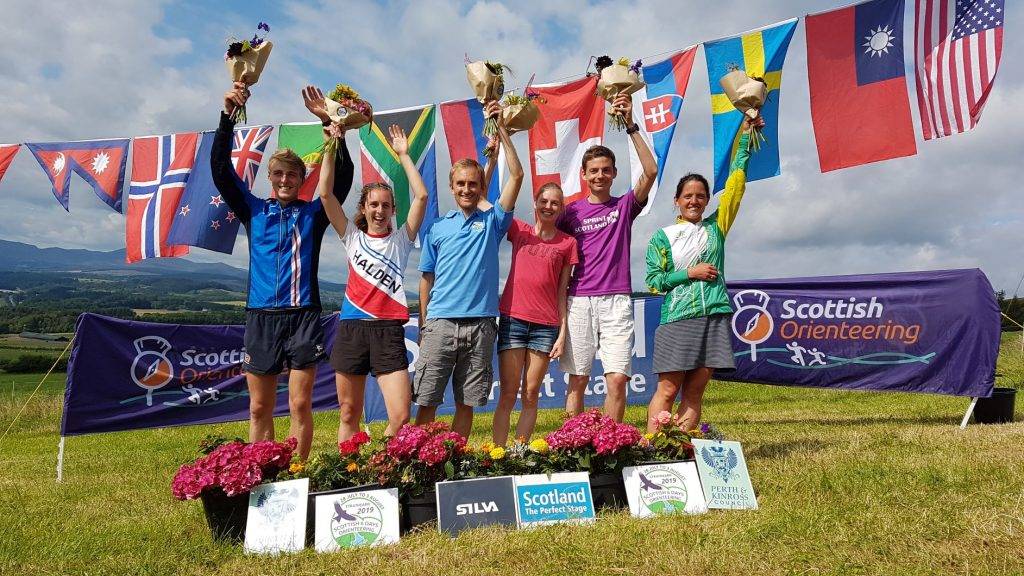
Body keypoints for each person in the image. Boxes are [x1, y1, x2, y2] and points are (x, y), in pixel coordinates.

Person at [215, 82, 353, 460]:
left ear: (300, 179)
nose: (285, 180)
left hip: (303, 316)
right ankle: (262, 472)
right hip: (261, 315)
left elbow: (341, 181)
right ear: (270, 177)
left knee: (299, 404)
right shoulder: (254, 210)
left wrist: (332, 130)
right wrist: (227, 116)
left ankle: (296, 474)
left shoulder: (314, 214)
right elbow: (221, 172)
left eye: (292, 175)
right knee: (259, 407)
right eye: (278, 174)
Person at [308, 85, 429, 442]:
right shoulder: (351, 236)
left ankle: (380, 462)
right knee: (348, 412)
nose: (379, 210)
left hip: (389, 330)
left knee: (401, 416)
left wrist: (404, 155)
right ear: (363, 208)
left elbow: (422, 195)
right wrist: (331, 143)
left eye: (385, 205)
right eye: (373, 204)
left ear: (393, 210)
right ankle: (350, 469)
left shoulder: (402, 240)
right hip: (352, 328)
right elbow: (325, 194)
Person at [644, 116, 763, 432]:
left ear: (707, 200)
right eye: (687, 196)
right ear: (677, 201)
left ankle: (680, 449)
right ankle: (653, 449)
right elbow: (653, 282)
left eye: (700, 196)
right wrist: (689, 273)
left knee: (695, 391)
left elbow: (735, 185)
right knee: (668, 389)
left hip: (714, 316)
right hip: (678, 318)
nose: (694, 201)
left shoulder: (716, 228)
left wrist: (745, 139)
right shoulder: (663, 236)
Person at [414, 101, 523, 438]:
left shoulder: (493, 222)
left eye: (472, 184)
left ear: (480, 188)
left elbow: (517, 176)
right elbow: (426, 279)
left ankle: (456, 460)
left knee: (466, 403)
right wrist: (424, 324)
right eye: (460, 184)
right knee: (426, 402)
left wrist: (500, 126)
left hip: (481, 325)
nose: (466, 189)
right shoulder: (437, 228)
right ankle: (419, 460)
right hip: (440, 323)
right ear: (451, 187)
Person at [556, 93, 657, 422]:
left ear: (614, 173)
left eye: (605, 170)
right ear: (584, 175)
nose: (599, 175)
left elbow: (650, 171)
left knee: (616, 380)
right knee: (578, 381)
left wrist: (630, 125)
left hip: (616, 300)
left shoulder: (624, 206)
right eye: (593, 171)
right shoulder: (570, 213)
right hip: (579, 300)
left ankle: (610, 443)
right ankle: (574, 444)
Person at [491, 181, 577, 445]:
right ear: (535, 204)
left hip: (545, 327)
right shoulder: (519, 230)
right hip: (513, 320)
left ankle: (519, 453)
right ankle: (497, 455)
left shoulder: (568, 244)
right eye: (544, 201)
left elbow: (562, 291)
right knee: (508, 394)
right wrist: (493, 161)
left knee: (530, 393)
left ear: (561, 208)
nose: (548, 206)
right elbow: (491, 205)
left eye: (555, 203)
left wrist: (562, 334)